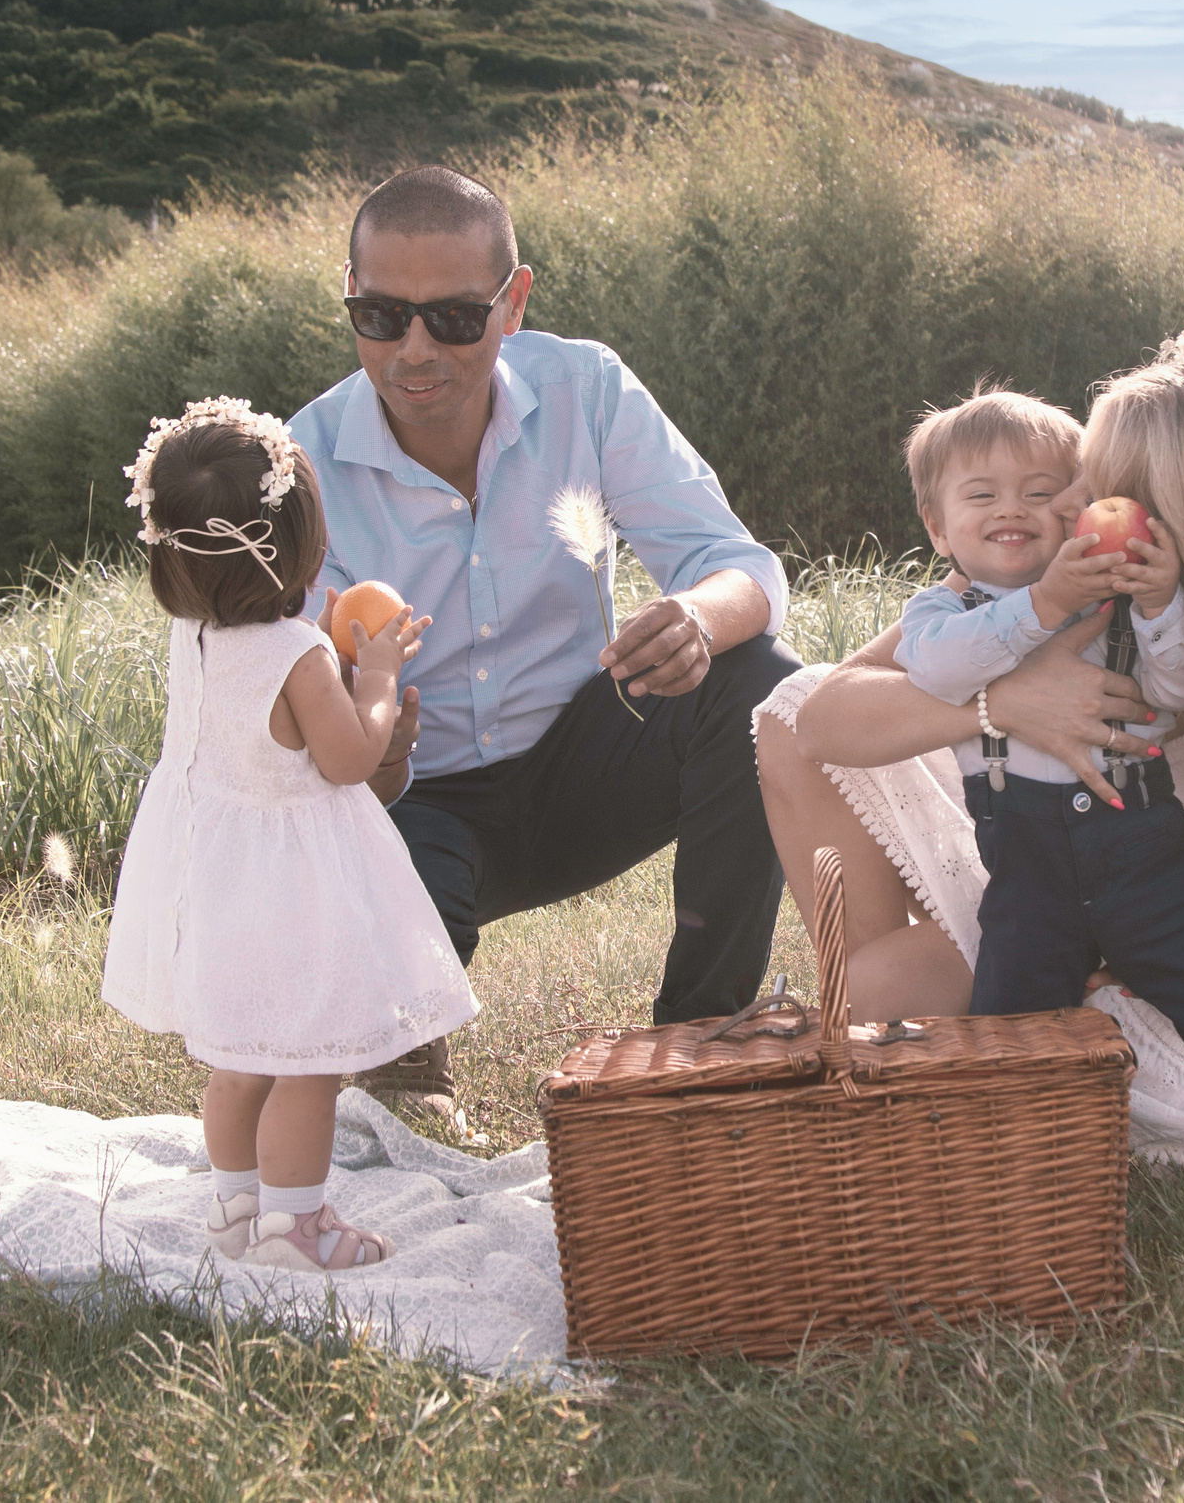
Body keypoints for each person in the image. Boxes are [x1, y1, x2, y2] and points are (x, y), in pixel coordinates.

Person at [756, 334, 1184, 1194]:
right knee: (881, 982)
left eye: (1089, 481)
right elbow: (824, 713)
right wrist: (998, 704)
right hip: (1052, 883)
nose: (1064, 501)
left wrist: (1143, 905)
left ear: (1163, 507)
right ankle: (933, 1125)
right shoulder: (1046, 593)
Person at [287, 166, 800, 1108]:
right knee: (394, 1092)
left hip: (585, 765)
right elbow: (298, 728)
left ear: (512, 302)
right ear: (350, 301)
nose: (412, 350)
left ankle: (699, 1038)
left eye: (451, 319)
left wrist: (695, 615)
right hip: (415, 802)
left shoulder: (587, 388)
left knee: (760, 679)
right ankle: (406, 1062)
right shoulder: (300, 465)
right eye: (381, 316)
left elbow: (739, 565)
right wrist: (378, 756)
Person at [100, 397, 477, 1271]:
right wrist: (374, 676)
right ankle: (295, 1230)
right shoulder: (299, 657)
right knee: (305, 1067)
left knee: (237, 1064)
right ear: (299, 549)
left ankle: (237, 1213)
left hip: (217, 884)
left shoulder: (191, 639)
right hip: (289, 898)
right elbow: (349, 760)